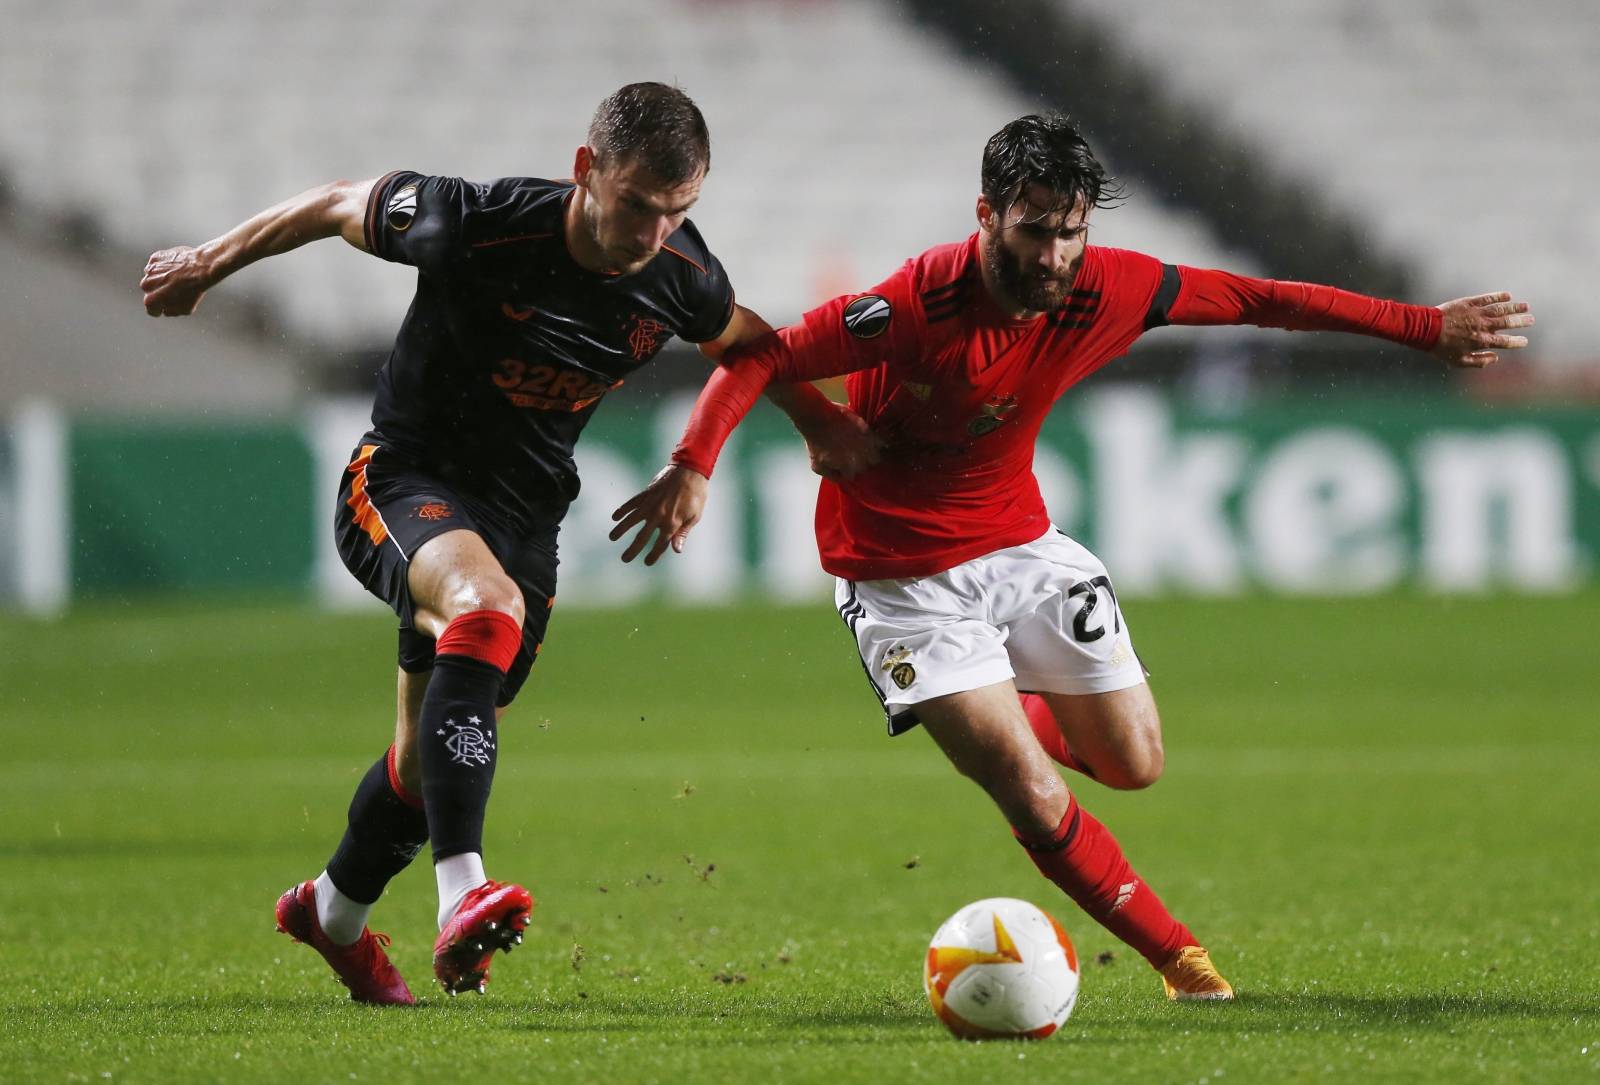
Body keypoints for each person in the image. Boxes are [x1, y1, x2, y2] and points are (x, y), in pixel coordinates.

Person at [609, 113, 1534, 1001]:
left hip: (1021, 546)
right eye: (1033, 231)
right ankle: (1184, 962)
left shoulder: (1112, 287)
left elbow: (1262, 300)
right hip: (898, 577)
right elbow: (759, 355)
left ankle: (1008, 713)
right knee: (1025, 781)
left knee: (1134, 763)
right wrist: (694, 463)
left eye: (1069, 234)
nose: (1051, 256)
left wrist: (1422, 328)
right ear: (986, 217)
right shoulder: (914, 301)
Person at [139, 82, 870, 1004]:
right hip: (404, 479)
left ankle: (330, 912)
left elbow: (749, 338)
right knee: (487, 612)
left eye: (677, 211)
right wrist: (207, 261)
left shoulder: (680, 272)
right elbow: (332, 203)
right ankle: (463, 892)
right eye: (638, 204)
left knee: (421, 764)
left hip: (525, 517)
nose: (652, 231)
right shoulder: (473, 222)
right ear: (587, 170)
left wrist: (757, 440)